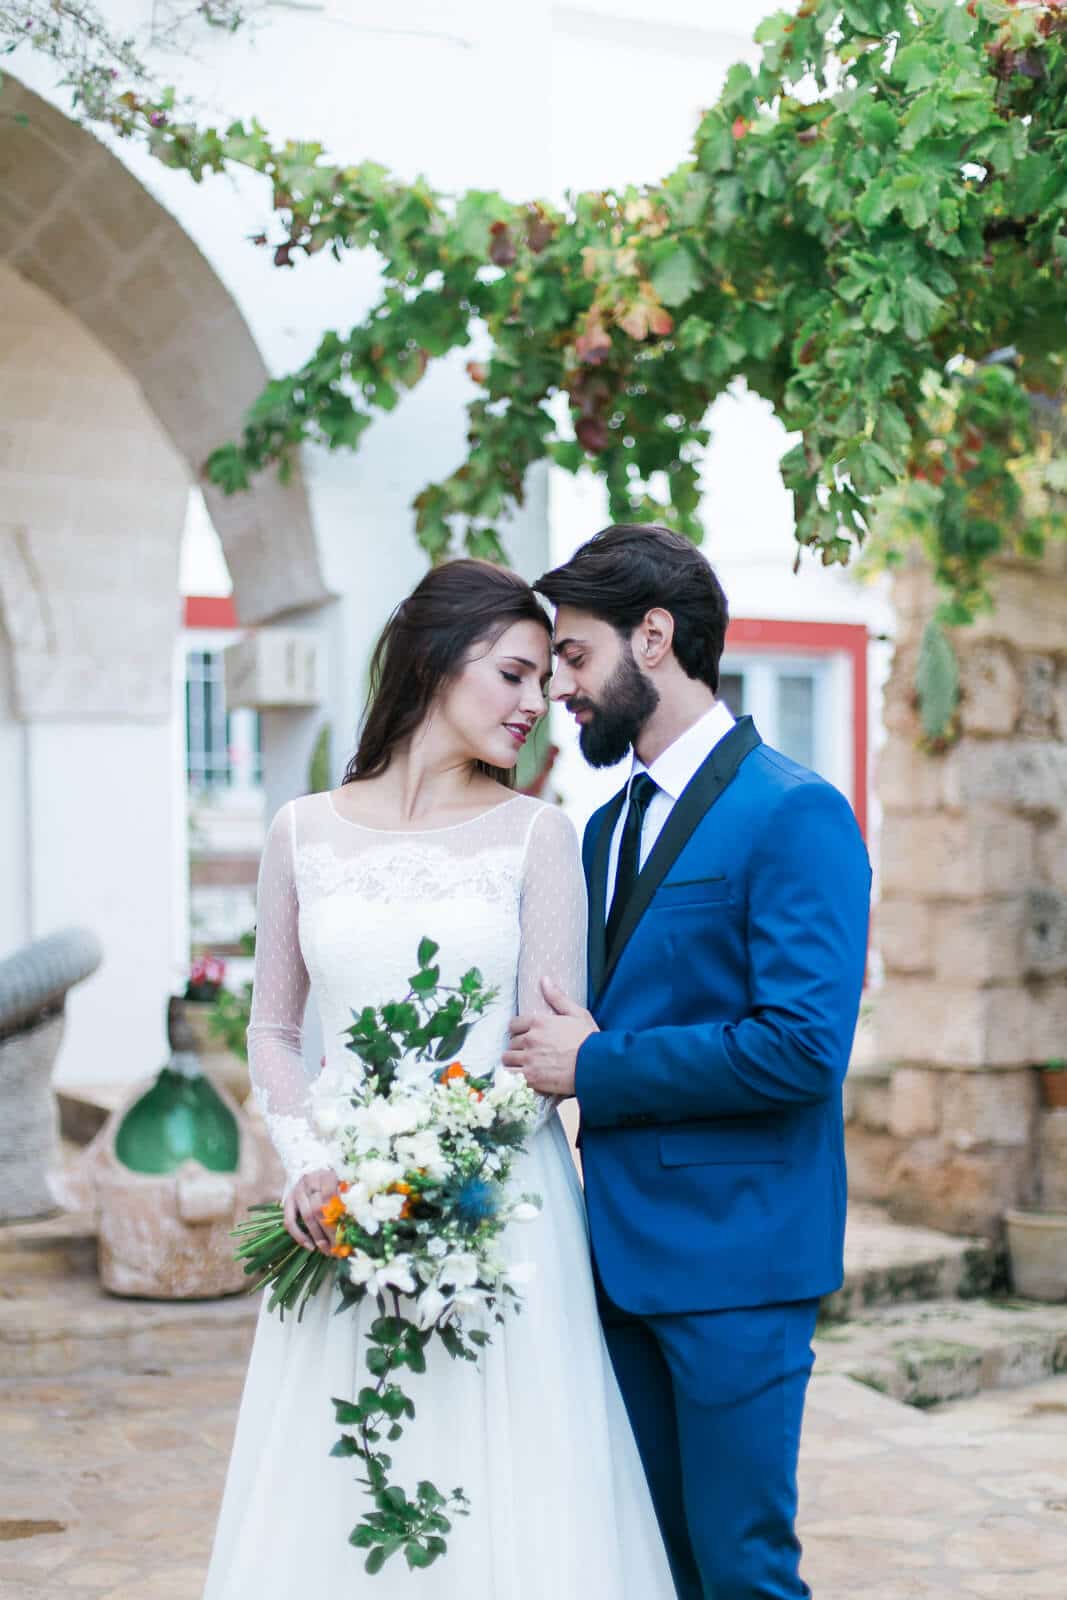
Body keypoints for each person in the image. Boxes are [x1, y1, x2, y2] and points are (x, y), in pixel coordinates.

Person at [203, 558, 674, 1599]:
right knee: (352, 1478)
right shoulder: (301, 830)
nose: (533, 703)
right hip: (339, 1210)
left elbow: (545, 1054)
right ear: (434, 656)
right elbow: (274, 1029)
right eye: (511, 673)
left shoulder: (536, 836)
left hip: (498, 1212)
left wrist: (430, 1177)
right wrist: (319, 1171)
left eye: (543, 677)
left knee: (501, 1486)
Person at [504, 524, 872, 1600]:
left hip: (737, 1269)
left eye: (573, 656)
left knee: (742, 1570)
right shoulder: (601, 825)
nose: (559, 687)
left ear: (651, 636)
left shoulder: (794, 812)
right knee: (654, 1569)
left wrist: (600, 1065)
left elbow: (801, 1048)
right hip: (614, 1264)